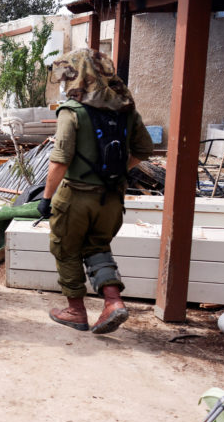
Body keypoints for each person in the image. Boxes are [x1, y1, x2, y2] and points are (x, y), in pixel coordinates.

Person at [38, 49, 153, 334]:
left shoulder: (72, 111)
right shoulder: (126, 109)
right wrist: (119, 170)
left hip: (77, 196)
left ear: (77, 76)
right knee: (98, 246)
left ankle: (75, 310)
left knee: (65, 249)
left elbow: (60, 160)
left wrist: (46, 198)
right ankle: (113, 303)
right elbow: (145, 149)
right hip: (112, 198)